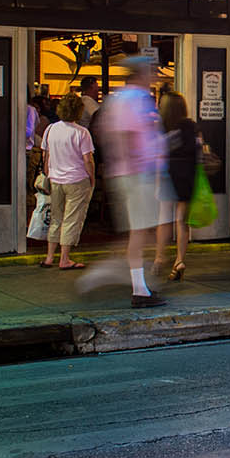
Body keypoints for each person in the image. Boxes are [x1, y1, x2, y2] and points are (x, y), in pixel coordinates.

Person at [97, 54, 166, 307]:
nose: (155, 75)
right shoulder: (135, 99)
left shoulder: (119, 99)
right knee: (139, 233)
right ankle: (136, 288)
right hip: (136, 174)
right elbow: (127, 133)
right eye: (152, 71)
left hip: (131, 172)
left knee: (140, 231)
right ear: (140, 74)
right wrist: (136, 165)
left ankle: (140, 285)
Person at [40, 94, 95, 270]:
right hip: (77, 180)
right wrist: (92, 177)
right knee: (71, 219)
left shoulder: (51, 129)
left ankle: (49, 257)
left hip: (56, 179)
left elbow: (45, 155)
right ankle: (64, 259)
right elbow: (88, 159)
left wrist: (49, 173)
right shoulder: (82, 132)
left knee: (56, 218)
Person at [157, 91, 201, 282]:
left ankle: (159, 257)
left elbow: (158, 152)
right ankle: (180, 261)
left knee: (164, 218)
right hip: (188, 176)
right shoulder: (191, 127)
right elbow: (199, 150)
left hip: (168, 174)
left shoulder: (162, 127)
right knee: (182, 221)